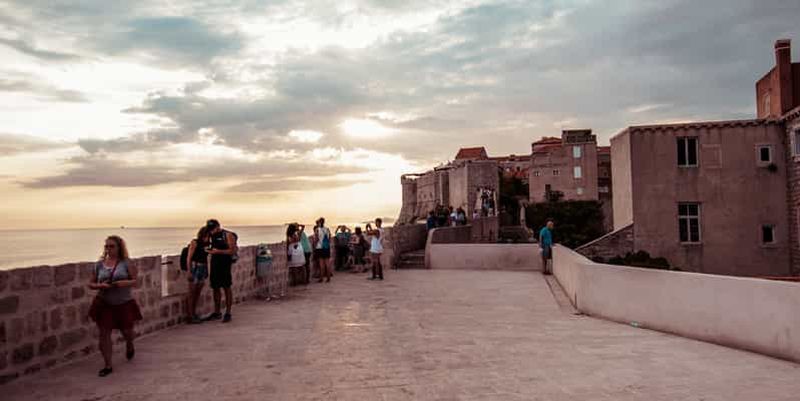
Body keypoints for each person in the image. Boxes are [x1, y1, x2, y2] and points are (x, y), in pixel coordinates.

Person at [88, 235, 142, 377]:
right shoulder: (99, 265)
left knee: (127, 332)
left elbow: (135, 281)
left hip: (123, 303)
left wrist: (123, 283)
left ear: (119, 248)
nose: (108, 249)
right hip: (104, 303)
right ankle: (108, 365)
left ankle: (129, 344)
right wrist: (100, 285)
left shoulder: (127, 263)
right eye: (106, 246)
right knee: (104, 333)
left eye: (112, 246)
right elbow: (90, 283)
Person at [204, 219, 238, 323]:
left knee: (227, 287)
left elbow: (232, 250)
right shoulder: (211, 235)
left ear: (218, 226)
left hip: (225, 264)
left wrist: (218, 251)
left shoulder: (227, 235)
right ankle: (217, 312)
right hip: (215, 264)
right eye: (210, 229)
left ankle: (228, 313)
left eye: (213, 228)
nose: (212, 231)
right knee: (215, 287)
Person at [185, 226, 210, 324]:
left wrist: (207, 271)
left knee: (197, 293)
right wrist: (189, 271)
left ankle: (194, 313)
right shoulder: (195, 242)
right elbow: (189, 258)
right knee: (191, 293)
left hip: (202, 268)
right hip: (195, 268)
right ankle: (190, 316)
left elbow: (205, 258)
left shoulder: (207, 244)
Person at [286, 223, 305, 288]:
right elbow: (303, 227)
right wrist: (299, 225)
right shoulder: (297, 233)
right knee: (301, 266)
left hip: (293, 250)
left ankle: (295, 282)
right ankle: (303, 281)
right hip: (299, 249)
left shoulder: (290, 235)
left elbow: (290, 242)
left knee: (294, 267)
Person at [314, 217, 333, 283]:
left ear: (319, 223)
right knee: (327, 263)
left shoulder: (317, 230)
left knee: (321, 264)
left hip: (320, 248)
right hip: (326, 247)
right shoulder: (327, 229)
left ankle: (321, 278)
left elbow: (316, 239)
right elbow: (329, 238)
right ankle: (328, 278)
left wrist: (315, 246)